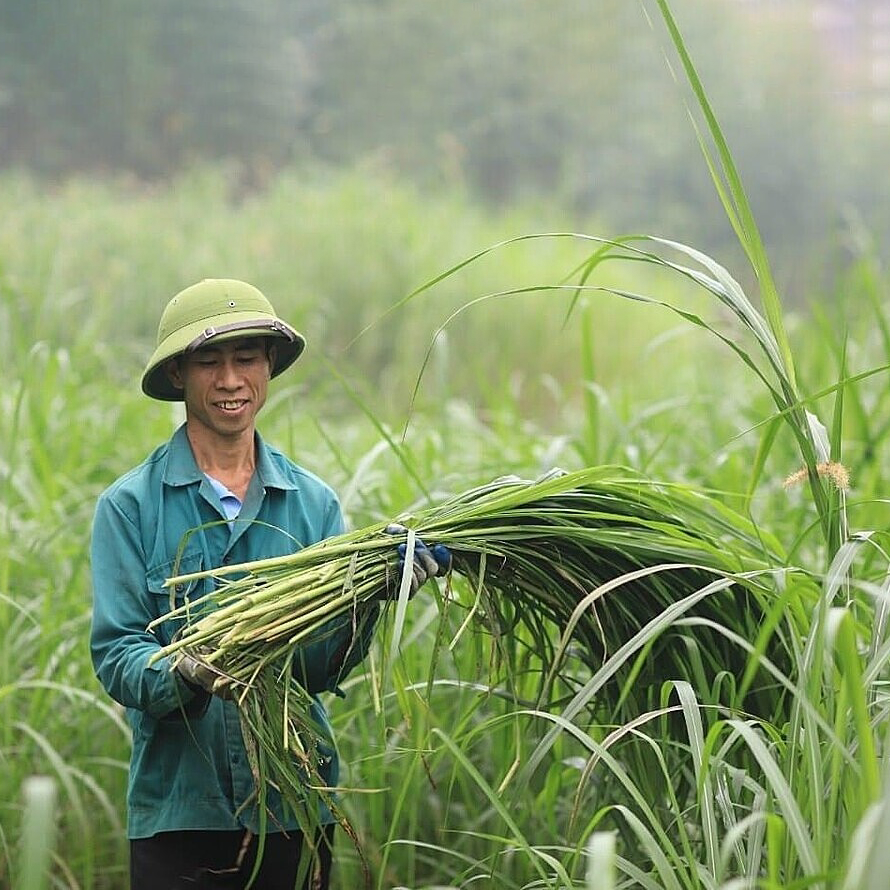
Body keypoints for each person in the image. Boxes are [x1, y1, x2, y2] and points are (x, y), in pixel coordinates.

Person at [89, 279, 450, 890]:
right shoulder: (130, 507)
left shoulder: (311, 504)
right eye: (210, 361)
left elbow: (318, 671)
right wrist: (187, 672)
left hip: (293, 806)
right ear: (179, 374)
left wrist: (373, 594)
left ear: (269, 368)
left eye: (247, 359)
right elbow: (117, 655)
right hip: (179, 814)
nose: (231, 380)